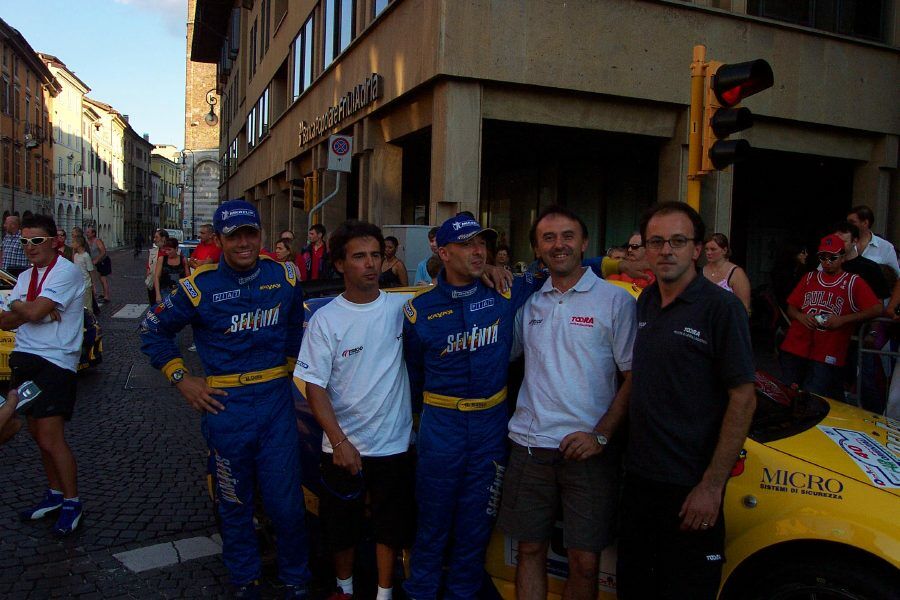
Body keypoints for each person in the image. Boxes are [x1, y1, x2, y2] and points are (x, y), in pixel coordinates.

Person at [140, 200, 311, 598]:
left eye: (251, 233)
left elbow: (294, 329)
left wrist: (290, 370)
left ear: (261, 234)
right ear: (219, 240)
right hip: (225, 407)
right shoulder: (198, 286)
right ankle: (244, 578)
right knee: (235, 502)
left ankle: (296, 578)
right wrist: (182, 379)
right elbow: (152, 330)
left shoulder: (285, 275)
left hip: (275, 405)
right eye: (235, 236)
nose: (245, 243)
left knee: (286, 503)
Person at [617, 202, 756, 600]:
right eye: (656, 242)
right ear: (644, 250)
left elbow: (743, 399)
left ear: (697, 249)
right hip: (641, 483)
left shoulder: (721, 308)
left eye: (678, 241)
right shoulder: (644, 302)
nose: (666, 250)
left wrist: (711, 488)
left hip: (692, 489)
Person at [498, 206, 636, 600]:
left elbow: (634, 378)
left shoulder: (615, 301)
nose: (559, 245)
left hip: (589, 453)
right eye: (548, 238)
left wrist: (602, 436)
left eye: (568, 236)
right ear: (537, 249)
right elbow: (502, 358)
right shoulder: (528, 302)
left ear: (585, 243)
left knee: (585, 563)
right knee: (529, 549)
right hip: (529, 445)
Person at [402, 213, 541, 600]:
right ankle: (421, 592)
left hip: (490, 426)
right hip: (441, 426)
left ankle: (462, 593)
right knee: (432, 522)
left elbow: (564, 266)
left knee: (477, 524)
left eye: (482, 243)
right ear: (442, 252)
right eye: (466, 244)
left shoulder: (506, 290)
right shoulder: (419, 310)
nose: (477, 250)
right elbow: (413, 376)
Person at [296, 220, 414, 600]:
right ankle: (343, 589)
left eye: (376, 255)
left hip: (394, 444)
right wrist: (339, 440)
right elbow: (314, 387)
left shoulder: (404, 309)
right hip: (344, 448)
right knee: (340, 527)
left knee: (389, 527)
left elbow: (453, 289)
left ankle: (384, 593)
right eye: (359, 256)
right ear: (340, 264)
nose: (370, 264)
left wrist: (494, 268)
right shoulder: (325, 320)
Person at [0, 214, 87, 535]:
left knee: (51, 437)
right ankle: (54, 494)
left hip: (55, 362)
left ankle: (72, 501)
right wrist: (36, 310)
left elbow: (29, 312)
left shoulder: (67, 272)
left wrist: (30, 308)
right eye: (24, 241)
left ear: (54, 241)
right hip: (24, 359)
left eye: (36, 240)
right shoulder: (24, 277)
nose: (29, 247)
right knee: (37, 435)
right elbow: (9, 321)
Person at [779, 234, 881, 403]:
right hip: (797, 344)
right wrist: (800, 316)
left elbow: (876, 308)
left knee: (815, 396)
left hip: (828, 349)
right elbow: (791, 306)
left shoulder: (852, 281)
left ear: (842, 257)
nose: (827, 262)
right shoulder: (810, 277)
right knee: (789, 392)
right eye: (823, 257)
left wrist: (844, 319)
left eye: (832, 257)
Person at [702, 233, 752, 314]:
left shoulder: (736, 273)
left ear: (724, 250)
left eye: (713, 249)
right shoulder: (701, 272)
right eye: (706, 249)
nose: (708, 252)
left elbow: (744, 307)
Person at [846, 205, 900, 277]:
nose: (847, 225)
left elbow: (896, 276)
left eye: (852, 222)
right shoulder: (844, 243)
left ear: (865, 223)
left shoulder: (886, 247)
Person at [770, 241, 810, 312]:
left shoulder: (799, 271)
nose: (806, 254)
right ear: (793, 253)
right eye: (803, 252)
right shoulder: (783, 275)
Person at [154, 238, 189, 304]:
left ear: (176, 248)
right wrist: (158, 294)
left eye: (169, 250)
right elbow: (157, 277)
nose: (167, 252)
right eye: (166, 250)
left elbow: (188, 277)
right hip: (165, 291)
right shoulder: (162, 259)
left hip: (180, 292)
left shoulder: (183, 260)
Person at [85, 227, 111, 304]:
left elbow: (103, 251)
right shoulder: (87, 241)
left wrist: (97, 259)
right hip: (96, 262)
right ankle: (103, 294)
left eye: (88, 232)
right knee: (99, 278)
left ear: (93, 233)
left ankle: (106, 296)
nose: (87, 234)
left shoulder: (97, 241)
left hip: (103, 261)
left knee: (103, 279)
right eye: (86, 232)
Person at [71, 236, 95, 313]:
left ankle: (91, 322)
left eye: (73, 242)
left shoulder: (86, 256)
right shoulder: (75, 255)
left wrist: (93, 285)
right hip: (78, 284)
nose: (72, 244)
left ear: (78, 244)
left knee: (88, 305)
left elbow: (90, 270)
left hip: (86, 284)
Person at [146, 229, 169, 305]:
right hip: (153, 285)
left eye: (156, 237)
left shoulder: (172, 252)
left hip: (167, 285)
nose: (154, 239)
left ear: (163, 238)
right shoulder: (152, 252)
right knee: (154, 307)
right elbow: (149, 267)